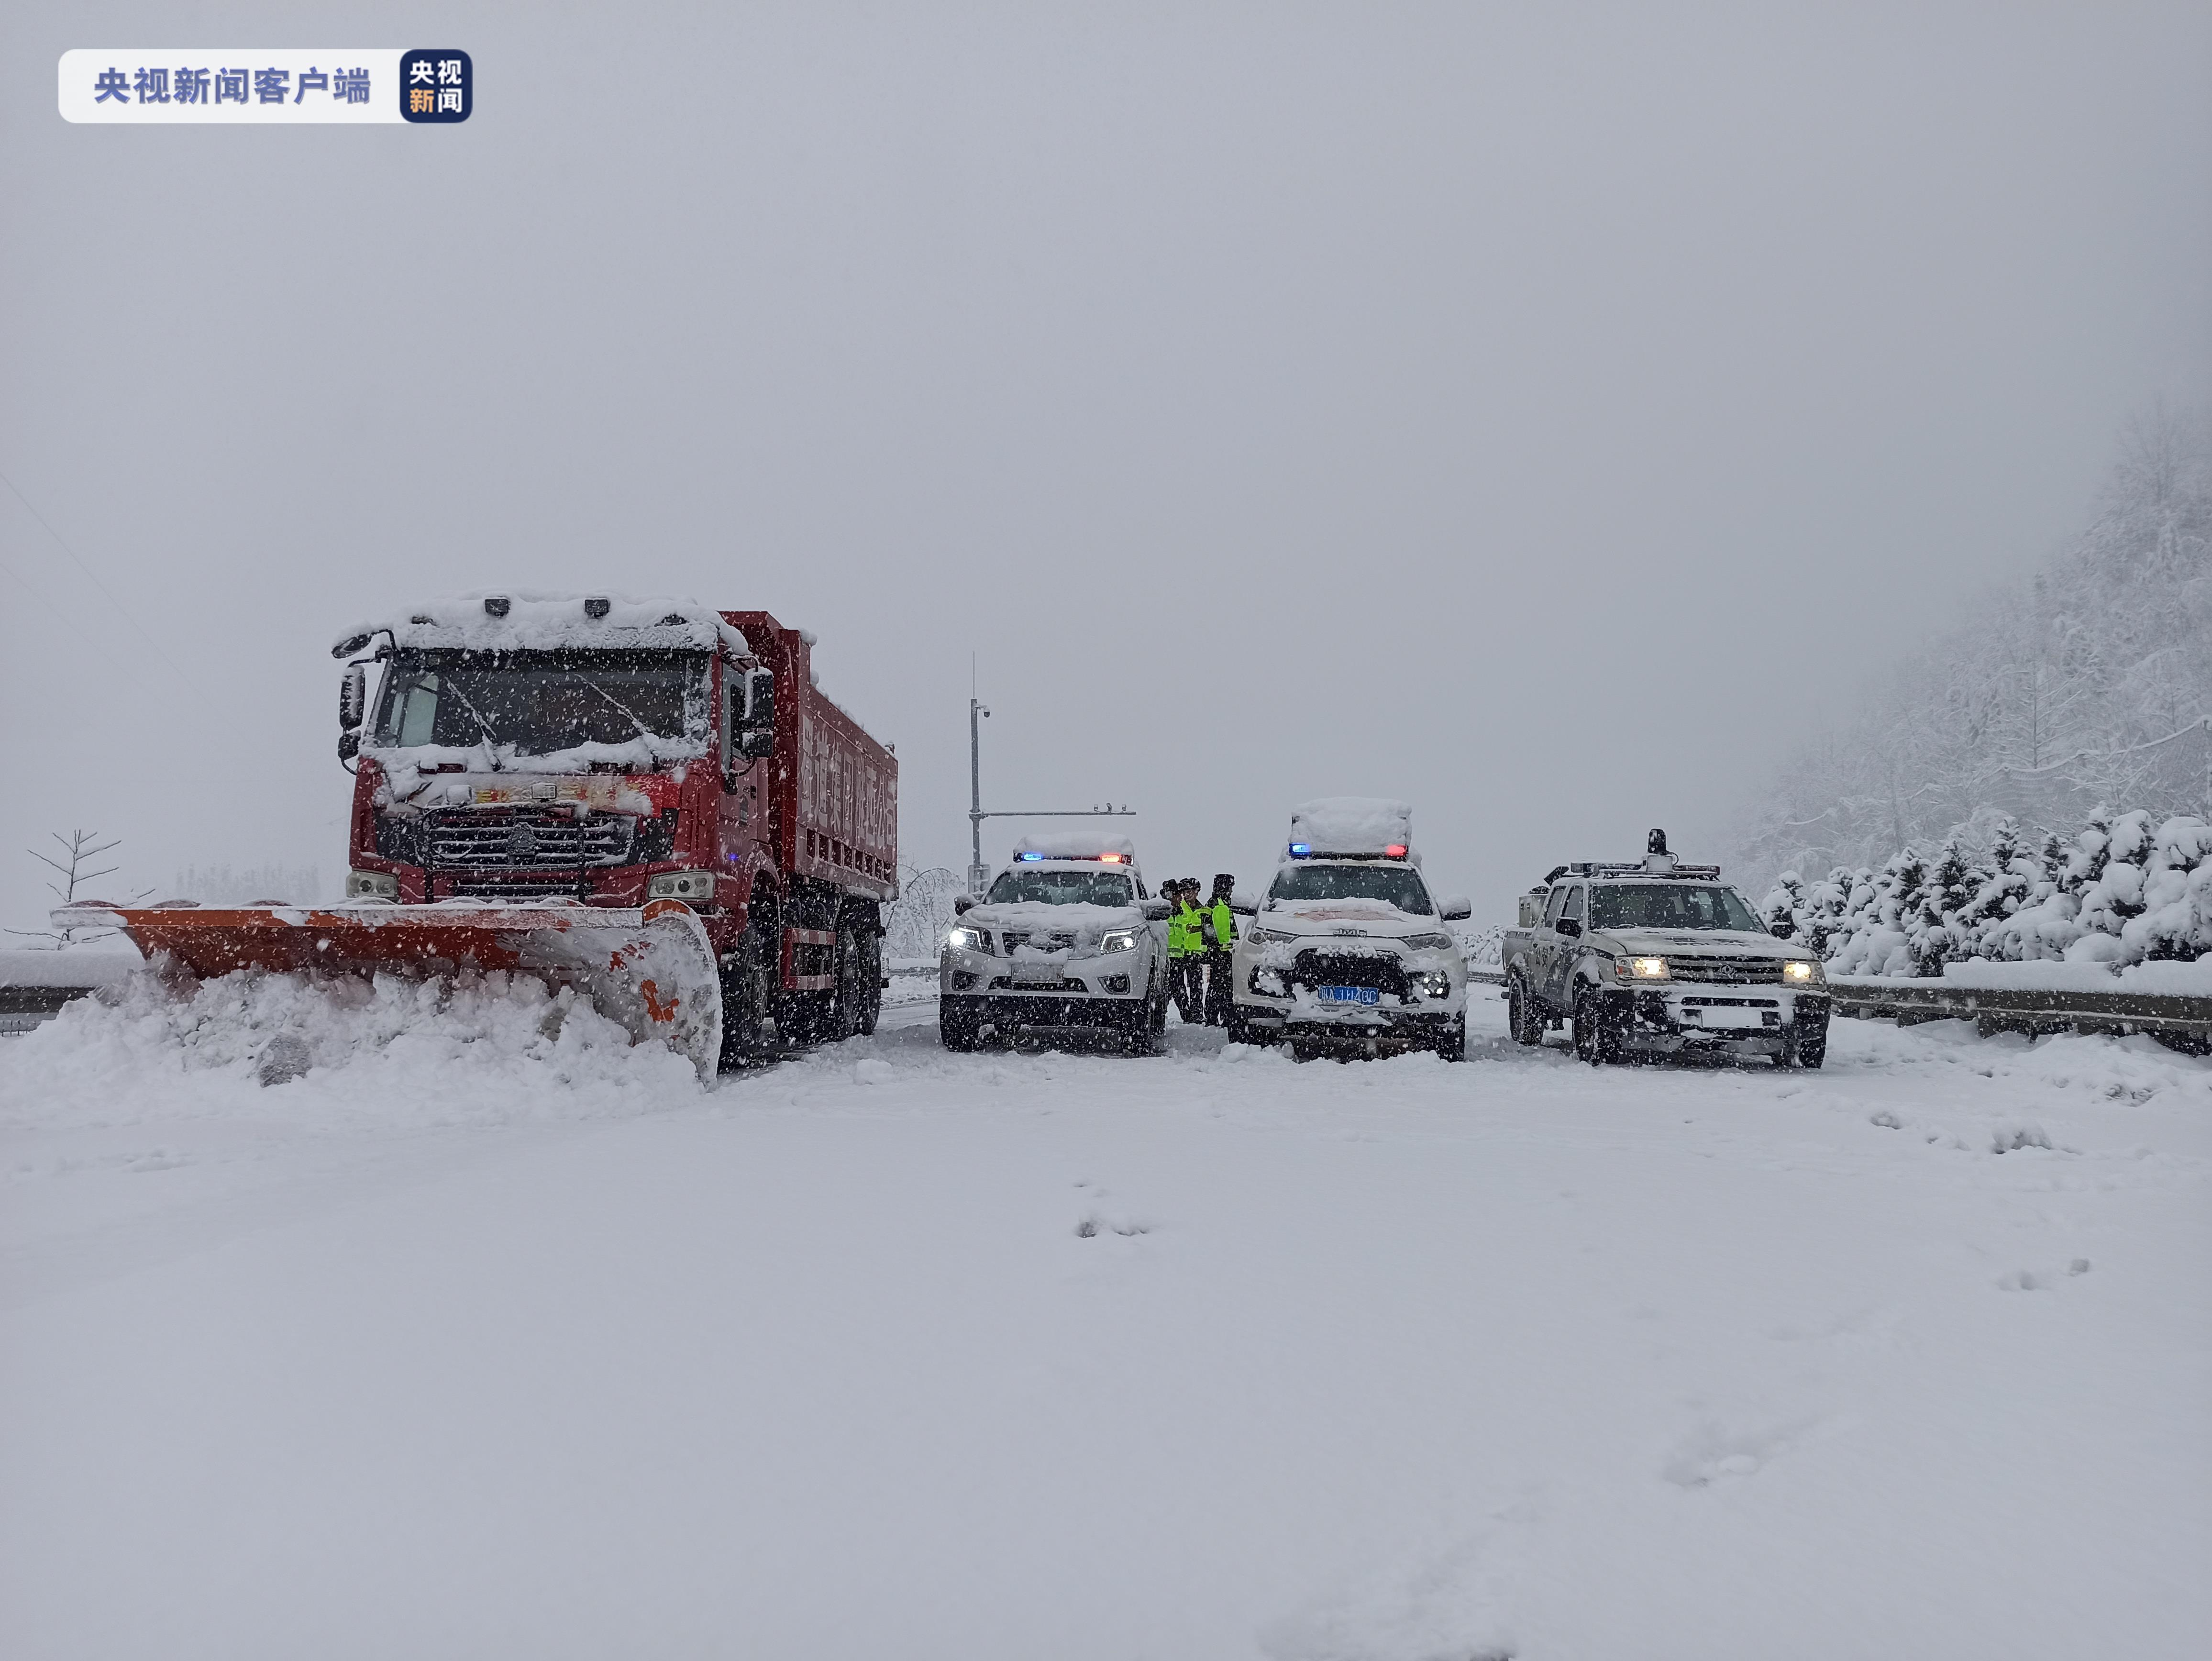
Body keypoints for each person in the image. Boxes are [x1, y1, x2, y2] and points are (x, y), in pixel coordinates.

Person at [1200, 873, 1239, 1027]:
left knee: (1226, 986)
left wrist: (1236, 945)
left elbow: (1231, 929)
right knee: (1218, 986)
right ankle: (1212, 1017)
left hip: (1227, 953)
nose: (1231, 891)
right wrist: (1213, 950)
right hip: (1219, 953)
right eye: (1229, 887)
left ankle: (1225, 1017)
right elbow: (1207, 930)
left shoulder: (1224, 904)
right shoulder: (1215, 904)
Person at [1166, 879, 1205, 1023]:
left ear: (1197, 891)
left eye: (1191, 891)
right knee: (1177, 986)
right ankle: (1186, 1013)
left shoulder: (1204, 910)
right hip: (1178, 955)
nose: (1188, 894)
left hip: (1194, 953)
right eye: (1184, 891)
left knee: (1196, 986)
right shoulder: (1178, 909)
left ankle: (1196, 1015)